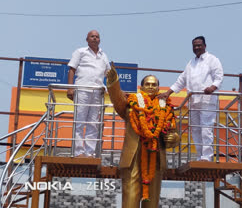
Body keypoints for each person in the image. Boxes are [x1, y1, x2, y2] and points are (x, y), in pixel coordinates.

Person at [106, 65, 179, 208]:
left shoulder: (166, 108)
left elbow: (172, 132)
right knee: (130, 199)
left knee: (152, 202)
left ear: (158, 88)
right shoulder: (131, 105)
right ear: (141, 87)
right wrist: (114, 82)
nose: (151, 87)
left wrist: (174, 138)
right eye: (148, 84)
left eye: (154, 85)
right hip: (133, 158)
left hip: (156, 159)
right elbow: (117, 99)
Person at [158, 36, 223, 162]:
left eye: (199, 45)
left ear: (205, 46)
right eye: (194, 46)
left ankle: (207, 157)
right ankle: (200, 156)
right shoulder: (191, 63)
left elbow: (219, 76)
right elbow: (181, 80)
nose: (197, 47)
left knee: (206, 128)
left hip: (207, 100)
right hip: (193, 101)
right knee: (196, 129)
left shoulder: (212, 60)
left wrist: (213, 87)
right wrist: (168, 92)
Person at [67, 30, 111, 158]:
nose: (95, 38)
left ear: (100, 40)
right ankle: (78, 152)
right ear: (87, 39)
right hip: (82, 89)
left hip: (97, 91)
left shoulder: (103, 55)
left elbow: (108, 73)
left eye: (97, 37)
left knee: (93, 123)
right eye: (92, 36)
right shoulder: (80, 52)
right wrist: (70, 88)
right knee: (80, 121)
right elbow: (72, 70)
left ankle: (89, 152)